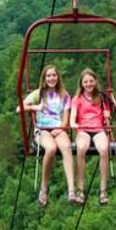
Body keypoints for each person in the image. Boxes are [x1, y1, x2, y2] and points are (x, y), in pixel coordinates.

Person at [21, 65, 77, 206]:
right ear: (44, 79)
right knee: (51, 149)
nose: (51, 78)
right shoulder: (38, 94)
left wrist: (60, 129)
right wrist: (35, 107)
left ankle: (71, 189)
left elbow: (65, 119)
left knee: (66, 147)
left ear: (58, 77)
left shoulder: (65, 95)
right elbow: (19, 108)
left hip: (58, 128)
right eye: (48, 76)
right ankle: (44, 187)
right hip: (42, 129)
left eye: (54, 75)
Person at [71, 68, 112, 205]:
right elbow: (73, 118)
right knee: (81, 148)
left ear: (95, 82)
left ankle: (103, 190)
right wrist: (74, 125)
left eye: (91, 81)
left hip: (98, 129)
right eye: (85, 82)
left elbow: (106, 114)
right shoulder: (77, 99)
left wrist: (107, 117)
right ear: (81, 84)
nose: (88, 84)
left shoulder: (101, 97)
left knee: (104, 150)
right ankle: (80, 190)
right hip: (83, 129)